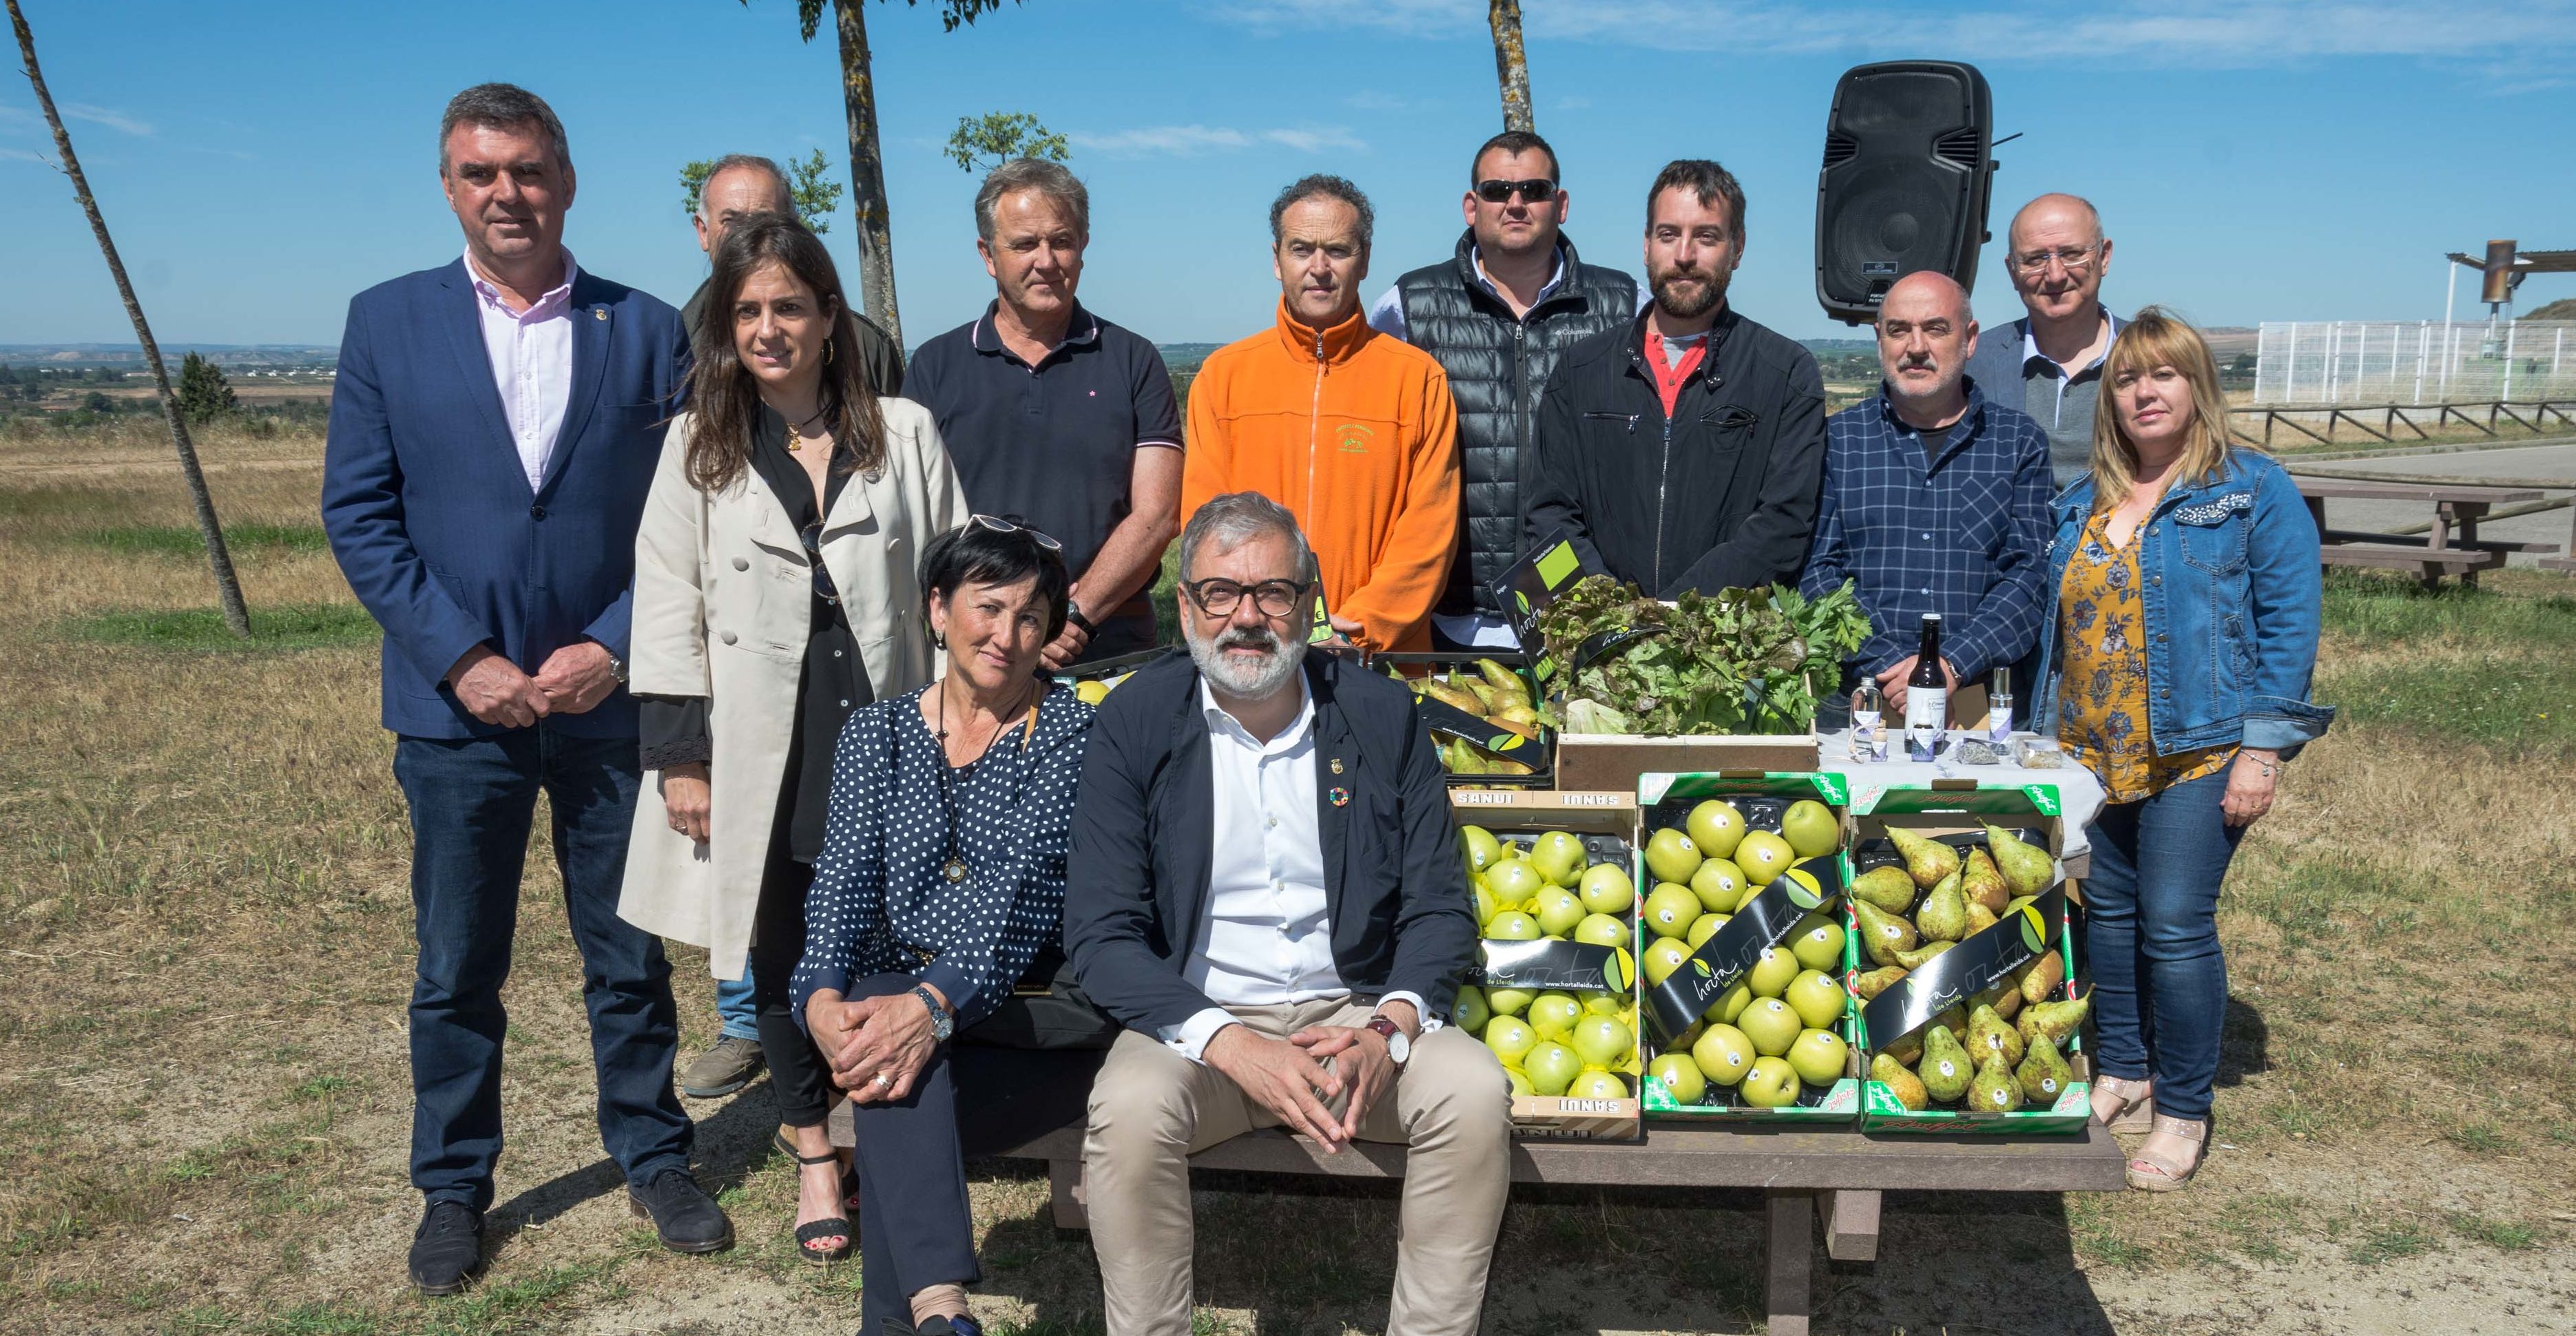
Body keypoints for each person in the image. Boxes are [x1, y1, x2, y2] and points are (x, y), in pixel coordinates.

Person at [320, 83, 726, 1295]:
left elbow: (686, 512)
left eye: (529, 170)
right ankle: (453, 1187)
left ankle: (655, 1155)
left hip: (607, 704)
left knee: (628, 950)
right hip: (456, 716)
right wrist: (461, 657)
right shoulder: (386, 324)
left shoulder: (646, 329)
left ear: (568, 180)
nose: (508, 193)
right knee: (458, 965)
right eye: (480, 172)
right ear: (448, 185)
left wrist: (614, 641)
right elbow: (361, 513)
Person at [1066, 492, 1510, 1336]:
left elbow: (1439, 905)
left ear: (1308, 601)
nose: (1247, 617)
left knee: (1472, 1090)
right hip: (1199, 1023)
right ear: (1185, 605)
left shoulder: (1379, 716)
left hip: (1352, 1016)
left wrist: (1388, 1032)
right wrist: (1232, 1045)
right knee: (1127, 1111)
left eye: (1273, 592)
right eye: (1220, 593)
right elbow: (1101, 933)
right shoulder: (1135, 721)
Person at [616, 213, 970, 1264]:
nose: (769, 329)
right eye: (747, 312)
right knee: (777, 947)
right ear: (726, 330)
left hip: (886, 730)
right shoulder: (697, 446)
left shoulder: (902, 432)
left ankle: (885, 1129)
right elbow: (666, 596)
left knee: (878, 937)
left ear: (828, 318)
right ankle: (815, 1147)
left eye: (789, 307)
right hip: (760, 742)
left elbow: (955, 581)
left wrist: (965, 725)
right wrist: (681, 755)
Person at [2030, 308, 2333, 1191]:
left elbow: (2289, 625)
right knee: (2111, 919)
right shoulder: (2081, 500)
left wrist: (2263, 750)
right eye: (2126, 380)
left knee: (2172, 922)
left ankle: (2183, 1109)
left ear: (2196, 386)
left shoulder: (2250, 489)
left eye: (2161, 375)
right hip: (2093, 753)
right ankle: (2123, 1067)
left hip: (2198, 751)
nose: (2143, 393)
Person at [792, 520, 1102, 1336]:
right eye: (988, 605)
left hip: (1033, 1017)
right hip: (911, 1024)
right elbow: (841, 887)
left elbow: (1020, 904)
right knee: (887, 1050)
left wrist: (922, 1008)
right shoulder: (878, 733)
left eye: (1032, 616)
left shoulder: (1069, 735)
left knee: (887, 1058)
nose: (1008, 634)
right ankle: (939, 1318)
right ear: (938, 608)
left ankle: (923, 1309)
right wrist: (821, 996)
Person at [1368, 129, 1639, 649]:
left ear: (1561, 204)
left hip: (1581, 609)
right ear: (1472, 206)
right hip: (1448, 611)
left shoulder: (1624, 304)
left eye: (1534, 190)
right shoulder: (1408, 304)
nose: (1515, 203)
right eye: (1496, 191)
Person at [908, 158, 1182, 667]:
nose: (1047, 260)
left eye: (1061, 241)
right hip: (974, 655)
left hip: (1108, 649)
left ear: (1083, 246)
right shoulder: (934, 367)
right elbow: (915, 520)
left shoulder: (1133, 360)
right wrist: (997, 623)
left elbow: (1158, 514)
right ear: (988, 255)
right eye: (1024, 244)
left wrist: (1071, 616)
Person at [1180, 176, 1462, 653]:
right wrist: (1253, 617)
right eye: (1301, 249)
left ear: (1365, 260)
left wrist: (1360, 628)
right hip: (1250, 647)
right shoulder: (1223, 377)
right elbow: (1203, 524)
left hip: (1381, 657)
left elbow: (1431, 532)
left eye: (1337, 249)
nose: (1319, 267)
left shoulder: (1417, 380)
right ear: (1276, 260)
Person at [1524, 159, 1827, 597]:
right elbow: (1549, 516)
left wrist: (1677, 615)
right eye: (1668, 235)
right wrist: (1614, 616)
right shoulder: (1580, 371)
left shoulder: (1785, 373)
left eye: (1706, 236)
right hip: (1602, 643)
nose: (1684, 256)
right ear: (1646, 245)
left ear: (1737, 248)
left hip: (1725, 649)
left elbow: (1783, 526)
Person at [1802, 271, 2052, 729]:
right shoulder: (1837, 441)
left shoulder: (2017, 443)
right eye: (1899, 330)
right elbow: (1818, 574)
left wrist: (1949, 665)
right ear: (1880, 339)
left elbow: (2028, 579)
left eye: (1936, 328)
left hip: (1975, 709)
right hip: (1861, 702)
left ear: (1970, 339)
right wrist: (1897, 669)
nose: (1916, 346)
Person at [683, 153, 903, 396]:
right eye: (731, 220)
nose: (747, 233)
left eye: (763, 218)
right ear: (703, 231)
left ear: (792, 225)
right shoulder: (673, 346)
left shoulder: (864, 346)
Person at [1963, 193, 2122, 486]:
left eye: (2072, 254)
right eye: (2035, 259)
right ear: (2013, 271)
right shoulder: (1974, 363)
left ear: (2105, 257)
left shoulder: (2157, 357)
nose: (2055, 275)